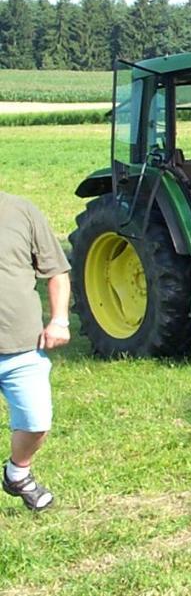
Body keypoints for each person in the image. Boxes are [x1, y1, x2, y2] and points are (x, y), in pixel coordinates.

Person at [0, 191, 71, 512]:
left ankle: (17, 473)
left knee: (36, 422)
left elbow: (57, 272)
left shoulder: (22, 211)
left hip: (22, 348)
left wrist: (59, 320)